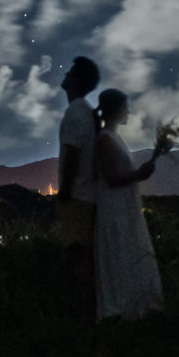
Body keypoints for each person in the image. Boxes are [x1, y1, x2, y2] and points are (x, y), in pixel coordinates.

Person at [90, 88, 172, 320]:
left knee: (126, 249)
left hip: (123, 204)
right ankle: (122, 308)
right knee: (120, 249)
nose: (129, 111)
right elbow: (111, 178)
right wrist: (139, 175)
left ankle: (132, 306)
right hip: (115, 205)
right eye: (126, 106)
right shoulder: (105, 139)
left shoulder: (113, 137)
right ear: (117, 109)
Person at [54, 57, 101, 313]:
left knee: (78, 255)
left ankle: (84, 312)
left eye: (71, 72)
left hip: (78, 196)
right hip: (87, 194)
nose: (66, 74)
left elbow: (72, 152)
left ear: (78, 80)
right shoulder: (85, 112)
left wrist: (65, 191)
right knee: (84, 255)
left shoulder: (75, 112)